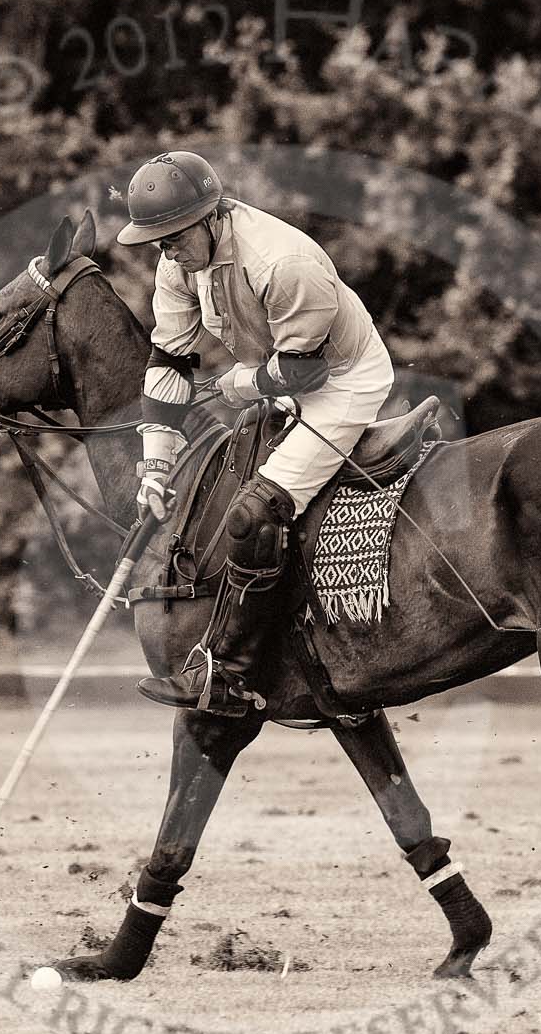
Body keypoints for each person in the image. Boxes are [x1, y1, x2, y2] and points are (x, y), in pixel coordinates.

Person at [115, 150, 396, 715]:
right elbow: (168, 363)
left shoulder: (284, 262)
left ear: (214, 216)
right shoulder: (176, 267)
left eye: (173, 234)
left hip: (341, 379)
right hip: (278, 369)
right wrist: (155, 467)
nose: (164, 248)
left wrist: (231, 385)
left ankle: (231, 671)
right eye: (155, 237)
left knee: (252, 513)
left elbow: (305, 372)